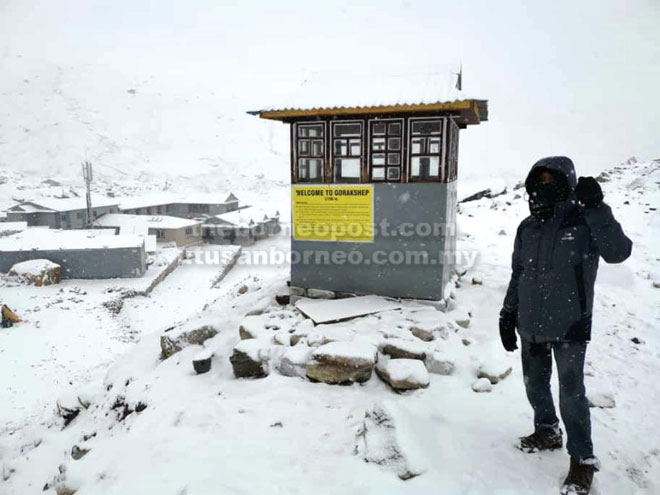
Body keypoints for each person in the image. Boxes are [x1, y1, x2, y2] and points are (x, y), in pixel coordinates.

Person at [499, 156, 632, 495]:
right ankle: (546, 431)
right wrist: (507, 312)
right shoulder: (528, 227)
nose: (543, 186)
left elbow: (618, 252)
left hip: (571, 324)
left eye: (550, 179)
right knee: (534, 386)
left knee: (571, 394)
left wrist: (598, 207)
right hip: (530, 322)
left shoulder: (585, 221)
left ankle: (582, 461)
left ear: (566, 182)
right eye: (538, 179)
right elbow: (519, 273)